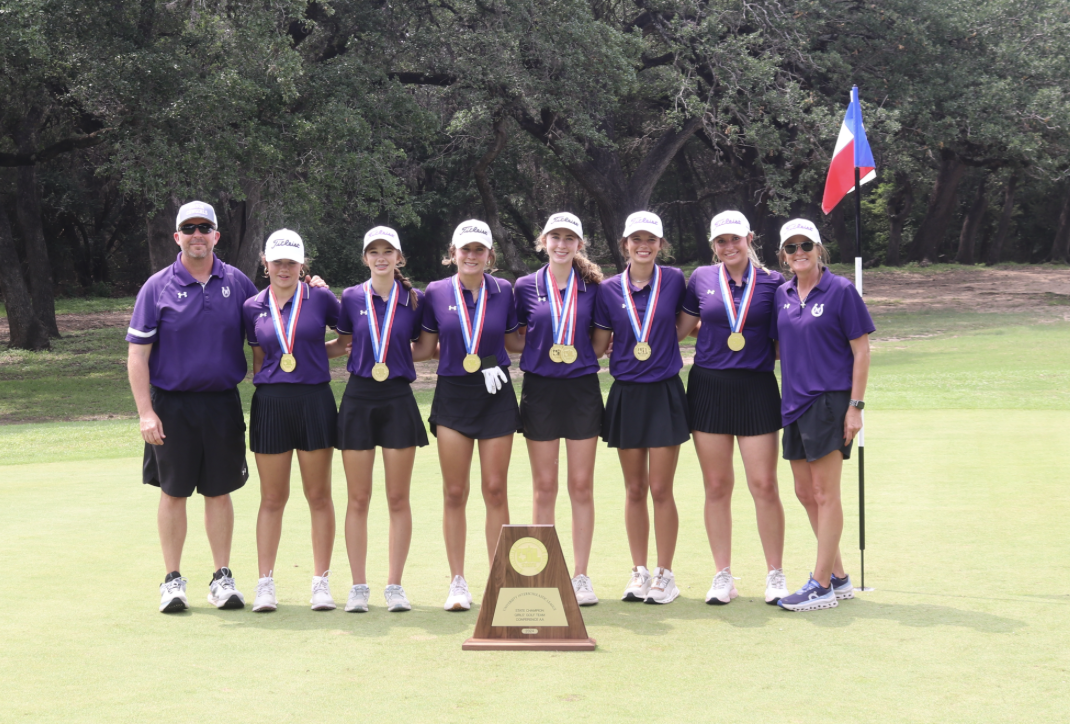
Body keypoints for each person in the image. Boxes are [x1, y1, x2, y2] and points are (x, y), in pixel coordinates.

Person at [127, 200, 257, 613]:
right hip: (172, 406)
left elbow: (272, 322)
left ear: (217, 235)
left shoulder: (237, 283)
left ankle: (222, 578)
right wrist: (146, 412)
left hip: (221, 403)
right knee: (173, 492)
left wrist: (313, 291)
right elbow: (137, 356)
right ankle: (172, 580)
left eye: (205, 228)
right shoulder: (157, 286)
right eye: (189, 228)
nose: (197, 235)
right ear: (177, 236)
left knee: (219, 492)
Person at [676, 211, 790, 605]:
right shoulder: (700, 279)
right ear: (713, 245)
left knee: (764, 484)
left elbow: (783, 338)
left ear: (749, 239)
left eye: (735, 239)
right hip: (708, 386)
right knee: (717, 486)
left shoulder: (775, 283)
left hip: (756, 387)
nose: (729, 247)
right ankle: (722, 575)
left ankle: (775, 574)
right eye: (721, 241)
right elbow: (681, 327)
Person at [416, 219, 523, 611]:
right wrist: (372, 348)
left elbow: (514, 340)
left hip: (495, 392)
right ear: (453, 253)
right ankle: (458, 581)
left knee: (495, 489)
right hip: (454, 395)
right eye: (466, 249)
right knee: (455, 491)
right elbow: (426, 348)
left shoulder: (505, 291)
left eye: (480, 250)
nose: (472, 255)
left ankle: (502, 578)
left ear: (489, 255)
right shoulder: (435, 292)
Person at [770, 219, 874, 612]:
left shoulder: (841, 290)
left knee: (825, 493)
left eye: (806, 246)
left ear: (818, 249)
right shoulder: (781, 294)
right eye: (792, 247)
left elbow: (861, 351)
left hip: (830, 402)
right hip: (793, 404)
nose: (799, 253)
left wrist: (856, 406)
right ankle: (840, 577)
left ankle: (820, 584)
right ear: (784, 254)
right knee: (803, 492)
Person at [329, 226, 428, 613]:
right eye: (374, 251)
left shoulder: (414, 300)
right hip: (358, 398)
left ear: (399, 258)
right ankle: (358, 587)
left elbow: (425, 347)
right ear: (365, 257)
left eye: (389, 251)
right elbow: (342, 343)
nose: (381, 257)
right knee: (358, 497)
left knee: (397, 497)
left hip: (398, 398)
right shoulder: (351, 297)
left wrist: (394, 357)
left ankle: (395, 586)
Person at [243, 229, 341, 613]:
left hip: (314, 399)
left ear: (303, 266)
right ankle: (265, 583)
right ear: (265, 264)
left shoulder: (320, 299)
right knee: (272, 498)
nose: (284, 268)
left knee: (318, 496)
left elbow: (347, 341)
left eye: (291, 262)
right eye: (277, 261)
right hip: (270, 404)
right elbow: (259, 357)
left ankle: (321, 582)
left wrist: (313, 354)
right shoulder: (252, 306)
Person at [593, 211, 689, 605]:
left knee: (661, 489)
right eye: (636, 239)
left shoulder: (676, 280)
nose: (643, 245)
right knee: (634, 488)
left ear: (661, 244)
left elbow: (684, 325)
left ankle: (665, 575)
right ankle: (639, 571)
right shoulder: (609, 289)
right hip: (627, 393)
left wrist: (660, 341)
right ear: (625, 244)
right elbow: (600, 343)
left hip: (664, 392)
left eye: (651, 239)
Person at [513, 212, 605, 606]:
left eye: (570, 238)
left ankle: (581, 576)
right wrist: (542, 355)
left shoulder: (593, 287)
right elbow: (515, 337)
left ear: (580, 244)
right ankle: (543, 570)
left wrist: (577, 358)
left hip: (582, 388)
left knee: (581, 486)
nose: (562, 244)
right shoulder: (523, 286)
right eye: (555, 237)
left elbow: (600, 341)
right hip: (540, 390)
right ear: (543, 241)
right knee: (544, 486)